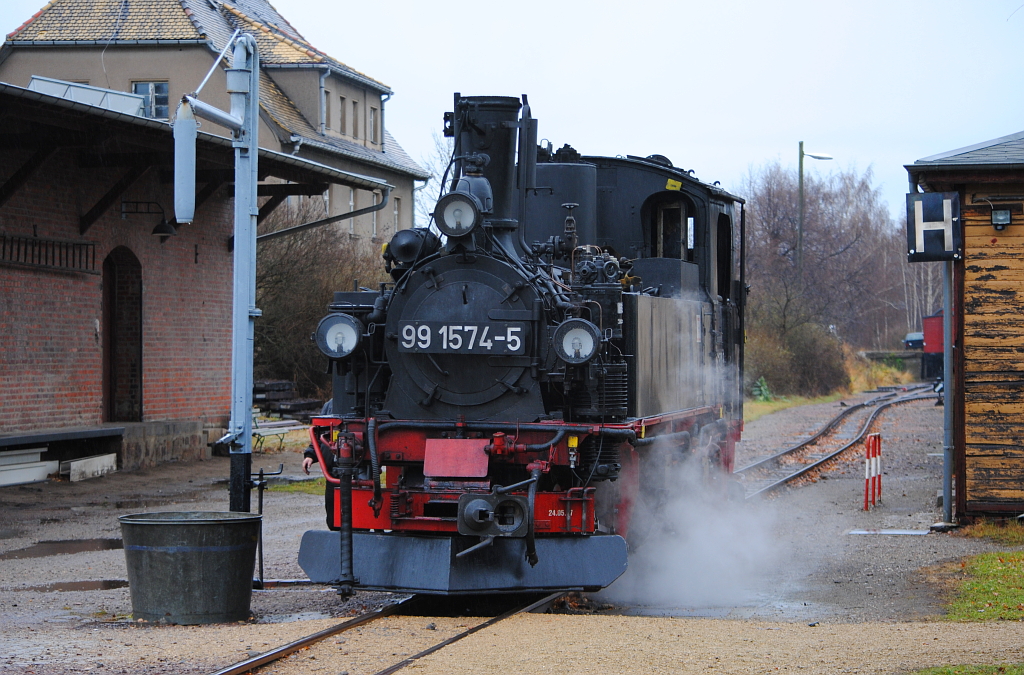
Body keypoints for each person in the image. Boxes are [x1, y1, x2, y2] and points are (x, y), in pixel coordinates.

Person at [302, 399, 338, 530]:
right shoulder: (330, 405)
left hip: (359, 473)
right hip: (333, 471)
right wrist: (310, 455)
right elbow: (319, 433)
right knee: (332, 516)